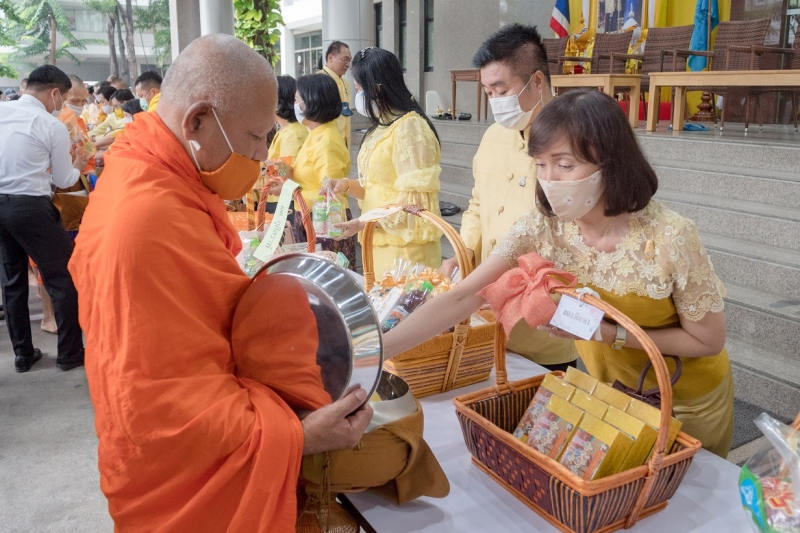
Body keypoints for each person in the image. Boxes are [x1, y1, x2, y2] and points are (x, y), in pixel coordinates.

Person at [68, 34, 373, 531]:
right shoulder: (146, 218)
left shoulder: (150, 169)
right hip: (177, 479)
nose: (259, 156)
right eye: (254, 139)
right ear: (197, 122)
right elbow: (160, 406)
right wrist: (300, 436)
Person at [384, 88, 734, 458]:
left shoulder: (670, 237)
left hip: (686, 399)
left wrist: (606, 333)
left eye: (564, 165)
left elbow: (707, 341)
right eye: (540, 164)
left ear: (611, 162)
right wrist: (377, 351)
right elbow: (462, 295)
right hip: (609, 389)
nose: (549, 180)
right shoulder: (544, 227)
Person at [440, 24, 577, 371]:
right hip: (490, 310)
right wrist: (466, 249)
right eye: (488, 92)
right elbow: (477, 203)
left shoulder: (572, 142)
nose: (495, 101)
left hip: (544, 318)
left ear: (536, 82)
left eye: (501, 90)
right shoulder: (493, 137)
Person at [0, 65, 87, 372]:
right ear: (53, 93)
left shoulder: (2, 111)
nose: (63, 106)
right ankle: (70, 352)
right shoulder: (50, 125)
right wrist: (78, 163)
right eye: (64, 99)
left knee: (12, 283)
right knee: (64, 277)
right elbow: (64, 180)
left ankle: (23, 355)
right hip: (30, 207)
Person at [329, 47, 444, 275]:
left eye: (360, 88)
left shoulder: (410, 127)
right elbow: (379, 189)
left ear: (377, 88)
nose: (357, 94)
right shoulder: (381, 127)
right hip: (379, 242)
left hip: (406, 250)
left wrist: (365, 222)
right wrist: (347, 185)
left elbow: (415, 204)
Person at [280, 74, 357, 268]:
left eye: (297, 99)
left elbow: (330, 193)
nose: (294, 104)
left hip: (324, 223)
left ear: (310, 102)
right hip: (309, 217)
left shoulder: (326, 140)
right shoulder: (315, 133)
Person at [262, 75, 308, 213]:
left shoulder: (292, 134)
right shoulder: (286, 131)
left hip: (285, 203)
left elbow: (287, 171)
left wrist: (260, 168)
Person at [317, 41, 353, 148]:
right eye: (344, 59)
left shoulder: (345, 83)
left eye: (349, 61)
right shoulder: (317, 81)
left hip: (344, 143)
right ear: (330, 57)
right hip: (326, 145)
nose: (347, 65)